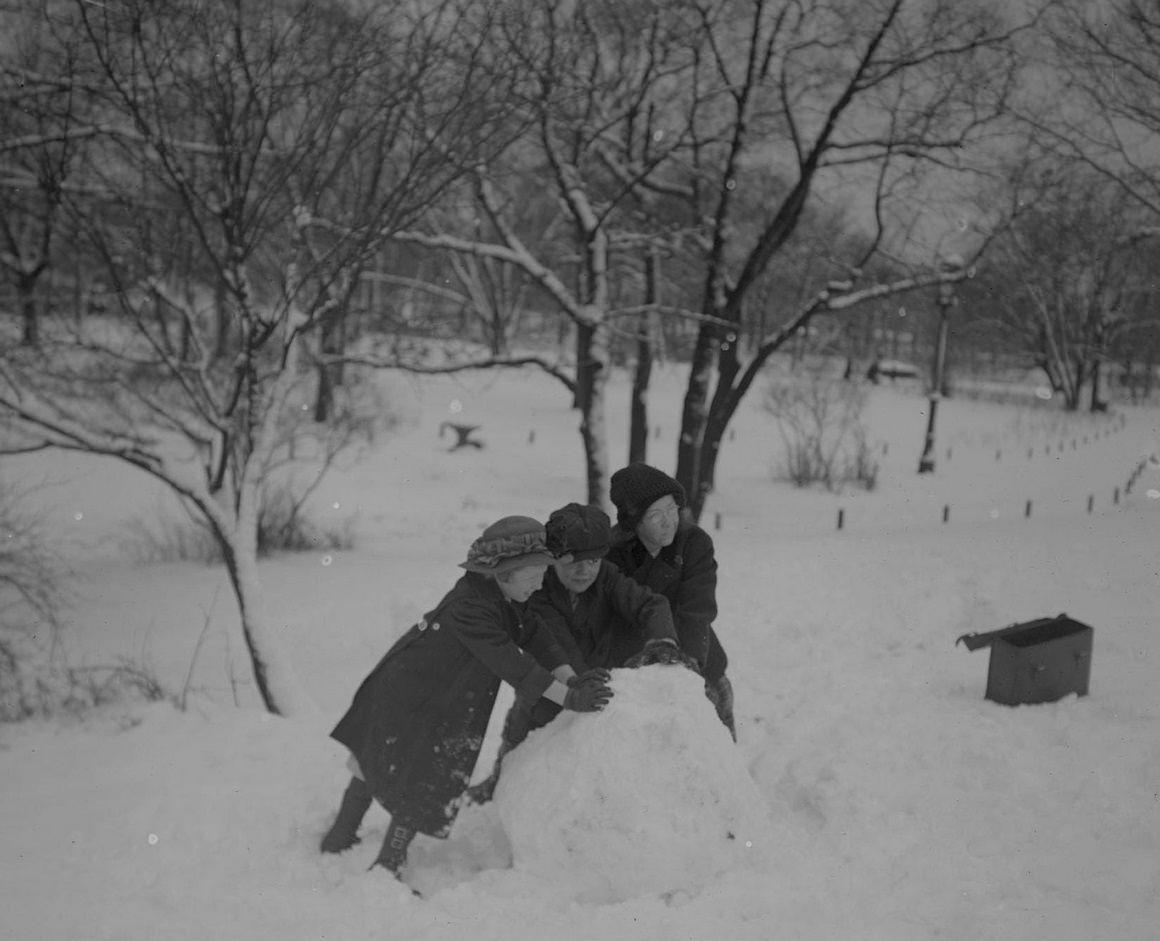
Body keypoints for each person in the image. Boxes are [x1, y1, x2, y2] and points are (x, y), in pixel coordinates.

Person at [319, 516, 614, 883]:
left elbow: (538, 637)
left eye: (543, 572)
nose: (540, 582)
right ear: (504, 572)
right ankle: (380, 861)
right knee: (403, 770)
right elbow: (517, 666)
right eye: (533, 574)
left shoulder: (507, 595)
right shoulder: (471, 607)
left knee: (403, 768)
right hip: (409, 694)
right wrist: (570, 698)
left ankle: (349, 843)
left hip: (439, 697)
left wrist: (572, 676)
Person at [467, 502, 689, 803]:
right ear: (552, 560)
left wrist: (662, 641)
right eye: (574, 562)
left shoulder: (607, 577)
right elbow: (559, 647)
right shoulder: (535, 591)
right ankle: (497, 786)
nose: (585, 571)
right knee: (520, 746)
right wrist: (583, 684)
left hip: (599, 684)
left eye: (594, 561)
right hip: (552, 688)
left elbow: (651, 604)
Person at [606, 462, 737, 740]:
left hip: (698, 661)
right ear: (634, 523)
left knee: (716, 750)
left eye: (672, 509)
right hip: (637, 673)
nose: (669, 521)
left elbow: (697, 610)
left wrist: (688, 667)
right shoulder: (613, 555)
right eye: (655, 515)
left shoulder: (693, 543)